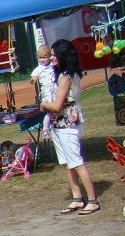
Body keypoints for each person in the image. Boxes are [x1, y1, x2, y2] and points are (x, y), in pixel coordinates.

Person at [39, 39, 100, 215]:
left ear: (63, 55)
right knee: (66, 163)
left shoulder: (66, 76)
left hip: (67, 122)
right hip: (58, 123)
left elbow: (57, 105)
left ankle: (93, 200)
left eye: (53, 54)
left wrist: (44, 105)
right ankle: (77, 198)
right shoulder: (62, 74)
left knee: (76, 162)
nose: (51, 58)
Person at [30, 43, 55, 137]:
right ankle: (45, 128)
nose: (42, 60)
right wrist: (34, 79)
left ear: (49, 56)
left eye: (45, 57)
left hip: (54, 89)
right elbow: (32, 80)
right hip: (46, 91)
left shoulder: (52, 65)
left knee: (55, 109)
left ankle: (50, 126)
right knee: (50, 110)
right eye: (40, 57)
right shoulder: (38, 69)